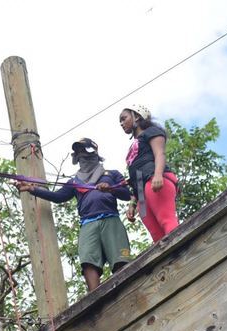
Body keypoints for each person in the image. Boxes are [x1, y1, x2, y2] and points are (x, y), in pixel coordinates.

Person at [15, 138, 131, 292]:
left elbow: (126, 195)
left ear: (95, 153)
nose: (82, 155)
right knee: (88, 261)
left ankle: (127, 289)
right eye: (79, 153)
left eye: (85, 151)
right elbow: (58, 197)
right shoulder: (74, 182)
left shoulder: (112, 174)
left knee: (120, 259)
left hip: (110, 219)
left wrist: (110, 189)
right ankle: (95, 298)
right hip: (88, 223)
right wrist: (32, 189)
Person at [119, 104, 179, 242]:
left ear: (137, 116)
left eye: (124, 118)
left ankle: (181, 249)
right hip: (140, 190)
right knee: (155, 233)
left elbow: (160, 153)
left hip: (154, 179)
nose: (122, 124)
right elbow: (135, 176)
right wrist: (133, 203)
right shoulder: (134, 145)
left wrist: (158, 175)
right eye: (120, 121)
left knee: (166, 220)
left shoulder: (151, 132)